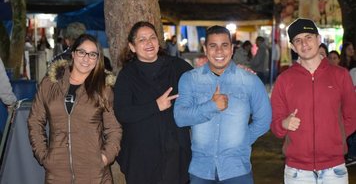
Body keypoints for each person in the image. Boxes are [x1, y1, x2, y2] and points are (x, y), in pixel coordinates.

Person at [174, 25, 271, 183]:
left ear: (232, 49)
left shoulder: (250, 81)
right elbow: (180, 117)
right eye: (213, 46)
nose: (219, 51)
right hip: (201, 170)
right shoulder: (190, 79)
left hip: (237, 169)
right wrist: (212, 106)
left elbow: (264, 120)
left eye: (224, 45)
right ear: (205, 49)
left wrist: (242, 140)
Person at [28, 34, 122, 184]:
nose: (86, 58)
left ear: (98, 59)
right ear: (73, 53)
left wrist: (104, 158)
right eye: (81, 52)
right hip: (57, 174)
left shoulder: (104, 88)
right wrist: (44, 156)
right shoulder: (50, 83)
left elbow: (114, 129)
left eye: (92, 54)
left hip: (94, 174)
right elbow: (35, 121)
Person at [271, 18, 356, 183]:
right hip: (297, 171)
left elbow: (352, 115)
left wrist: (335, 136)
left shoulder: (340, 75)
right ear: (293, 46)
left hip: (334, 168)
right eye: (298, 40)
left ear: (318, 39)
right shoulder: (284, 80)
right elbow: (274, 121)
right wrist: (283, 124)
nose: (304, 44)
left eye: (308, 37)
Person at [113, 21, 192, 184]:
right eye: (142, 39)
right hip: (142, 158)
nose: (149, 43)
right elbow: (122, 113)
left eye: (152, 38)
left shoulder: (177, 66)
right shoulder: (127, 75)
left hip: (175, 155)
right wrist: (156, 105)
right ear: (132, 46)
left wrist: (231, 70)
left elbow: (204, 82)